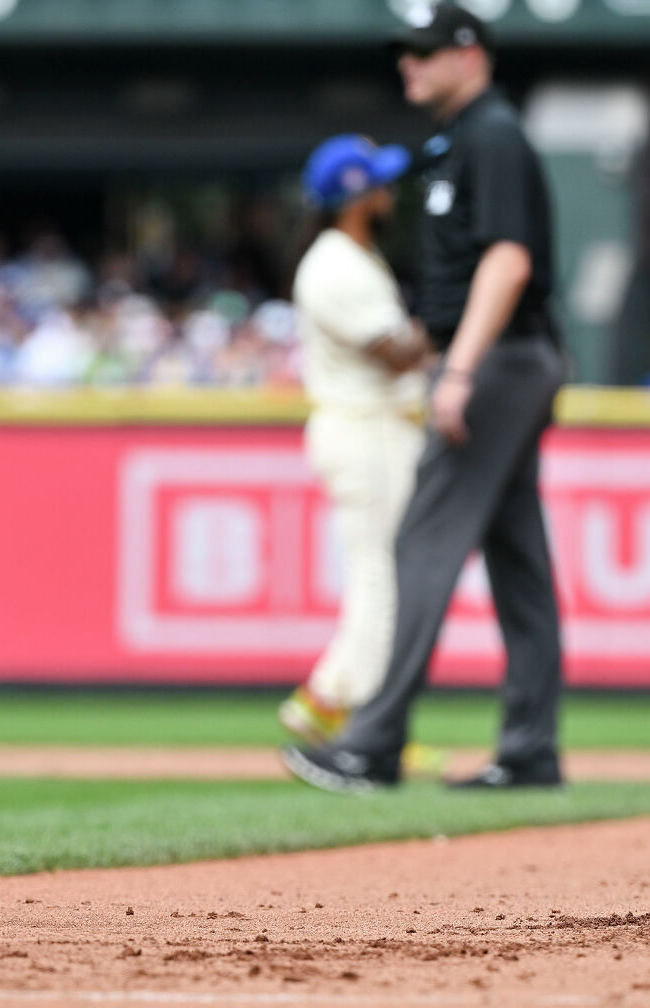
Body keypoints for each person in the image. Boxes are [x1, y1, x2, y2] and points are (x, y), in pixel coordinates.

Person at [282, 1, 567, 792]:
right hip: (505, 357)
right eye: (405, 52)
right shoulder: (459, 140)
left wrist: (462, 370)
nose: (408, 64)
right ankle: (530, 748)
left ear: (470, 54)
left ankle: (371, 744)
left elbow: (507, 261)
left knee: (420, 542)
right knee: (518, 560)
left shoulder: (492, 135)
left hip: (499, 359)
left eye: (425, 51)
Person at [276, 134, 436, 755]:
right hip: (364, 429)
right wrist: (462, 316)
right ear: (356, 195)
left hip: (372, 429)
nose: (388, 191)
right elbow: (397, 352)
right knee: (381, 580)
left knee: (382, 578)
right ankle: (358, 719)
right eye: (377, 182)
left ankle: (336, 703)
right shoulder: (335, 264)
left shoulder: (349, 255)